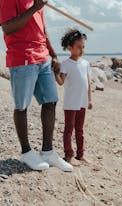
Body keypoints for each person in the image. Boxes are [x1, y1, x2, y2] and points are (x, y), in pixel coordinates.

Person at [0, 0, 73, 172]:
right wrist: (33, 9)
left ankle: (48, 151)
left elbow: (42, 31)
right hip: (21, 59)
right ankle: (26, 152)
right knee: (21, 106)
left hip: (41, 58)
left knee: (50, 101)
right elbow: (7, 27)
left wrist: (54, 55)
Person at [54, 28, 92, 165]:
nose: (81, 50)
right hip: (70, 103)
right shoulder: (66, 64)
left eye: (83, 47)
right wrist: (55, 72)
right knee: (69, 129)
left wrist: (90, 100)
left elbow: (88, 83)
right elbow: (61, 82)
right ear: (69, 48)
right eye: (78, 47)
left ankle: (81, 155)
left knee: (80, 130)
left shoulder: (86, 63)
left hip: (82, 103)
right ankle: (69, 154)